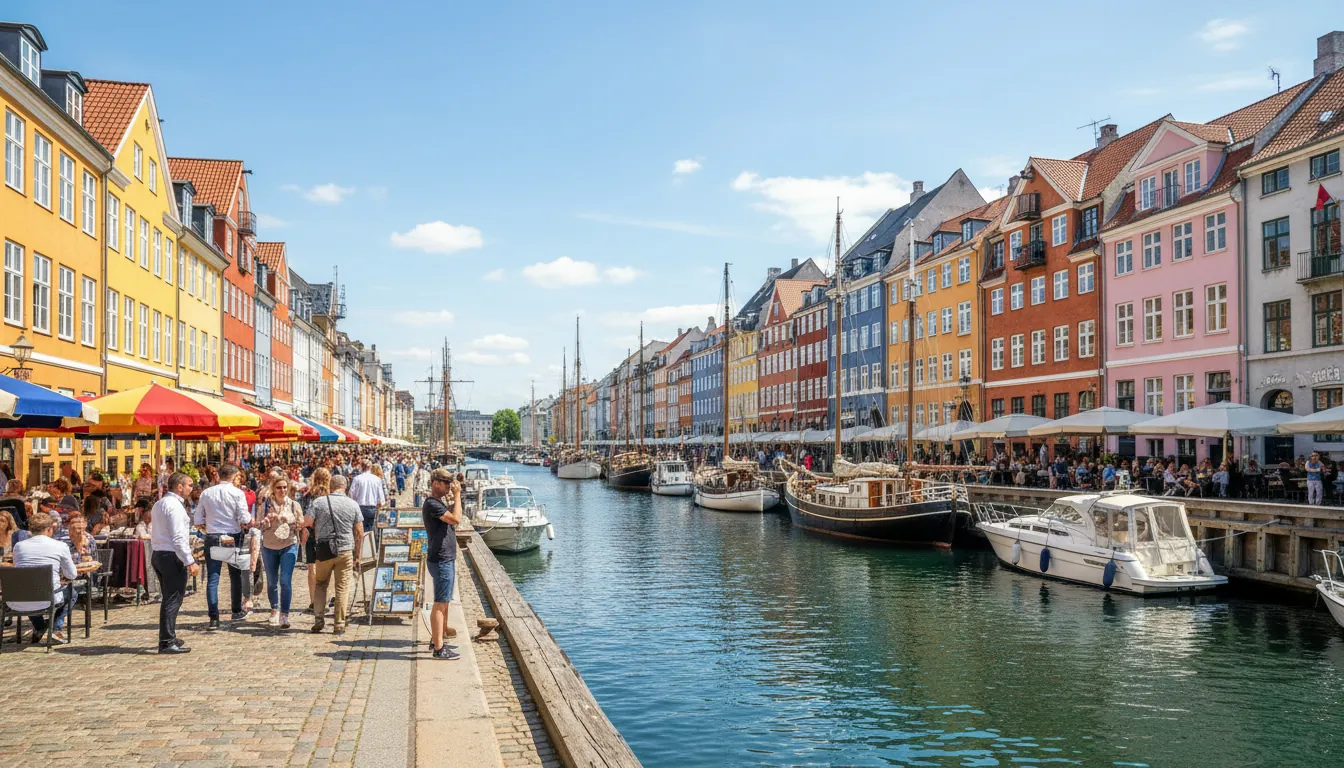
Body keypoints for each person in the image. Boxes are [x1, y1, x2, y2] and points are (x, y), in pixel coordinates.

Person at [193, 463, 253, 630]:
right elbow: (244, 518)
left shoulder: (206, 493)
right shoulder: (237, 493)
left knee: (213, 578)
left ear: (219, 475)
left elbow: (197, 520)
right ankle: (236, 610)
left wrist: (207, 528)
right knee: (235, 574)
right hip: (232, 536)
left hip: (212, 536)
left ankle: (213, 617)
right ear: (234, 477)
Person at [305, 470, 364, 635]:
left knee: (321, 584)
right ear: (345, 487)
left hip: (324, 549)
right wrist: (358, 555)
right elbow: (359, 531)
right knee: (342, 587)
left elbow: (307, 522)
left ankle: (318, 619)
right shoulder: (353, 504)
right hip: (345, 550)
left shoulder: (319, 502)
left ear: (330, 486)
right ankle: (339, 623)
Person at [10, 512, 77, 645]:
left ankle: (40, 627)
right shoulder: (60, 546)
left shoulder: (19, 546)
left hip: (18, 598)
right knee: (72, 593)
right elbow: (72, 575)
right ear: (49, 529)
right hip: (47, 597)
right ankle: (55, 628)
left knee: (30, 588)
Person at [150, 472, 198, 654]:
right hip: (171, 555)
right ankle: (167, 641)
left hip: (159, 553)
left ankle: (169, 635)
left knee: (169, 598)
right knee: (173, 599)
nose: (191, 488)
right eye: (189, 485)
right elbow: (178, 538)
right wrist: (190, 561)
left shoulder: (160, 503)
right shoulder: (174, 506)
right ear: (180, 487)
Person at [423, 467, 463, 660]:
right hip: (440, 559)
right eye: (445, 482)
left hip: (445, 557)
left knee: (445, 602)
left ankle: (438, 638)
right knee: (440, 603)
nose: (449, 485)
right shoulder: (432, 503)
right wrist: (457, 496)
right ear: (435, 483)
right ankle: (439, 649)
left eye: (450, 482)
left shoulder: (438, 502)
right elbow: (456, 519)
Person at [258, 474, 303, 629]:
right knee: (271, 581)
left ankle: (285, 613)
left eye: (285, 487)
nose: (282, 490)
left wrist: (295, 523)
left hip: (289, 545)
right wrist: (266, 521)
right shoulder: (265, 505)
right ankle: (274, 609)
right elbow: (258, 525)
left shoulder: (294, 505)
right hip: (269, 546)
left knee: (285, 580)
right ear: (273, 489)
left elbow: (300, 523)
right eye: (279, 487)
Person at [348, 460, 387, 532]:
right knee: (369, 529)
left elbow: (351, 494)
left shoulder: (357, 479)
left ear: (361, 467)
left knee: (359, 530)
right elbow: (381, 496)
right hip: (371, 507)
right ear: (370, 468)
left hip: (359, 507)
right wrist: (382, 505)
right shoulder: (377, 479)